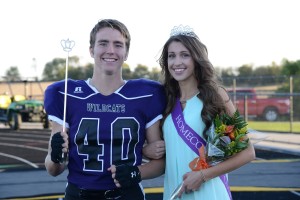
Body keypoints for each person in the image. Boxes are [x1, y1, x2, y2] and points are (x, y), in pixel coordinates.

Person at [44, 19, 166, 200]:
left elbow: (160, 163)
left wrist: (136, 172)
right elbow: (54, 170)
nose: (111, 50)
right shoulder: (65, 93)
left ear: (126, 53)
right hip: (79, 194)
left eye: (118, 45)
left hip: (127, 194)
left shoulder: (146, 94)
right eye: (103, 43)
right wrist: (55, 156)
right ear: (91, 50)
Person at [157, 25, 256, 199]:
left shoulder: (215, 95)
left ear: (196, 59)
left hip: (209, 192)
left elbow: (247, 153)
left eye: (185, 55)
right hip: (175, 193)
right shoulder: (167, 99)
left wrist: (203, 175)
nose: (177, 62)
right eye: (171, 56)